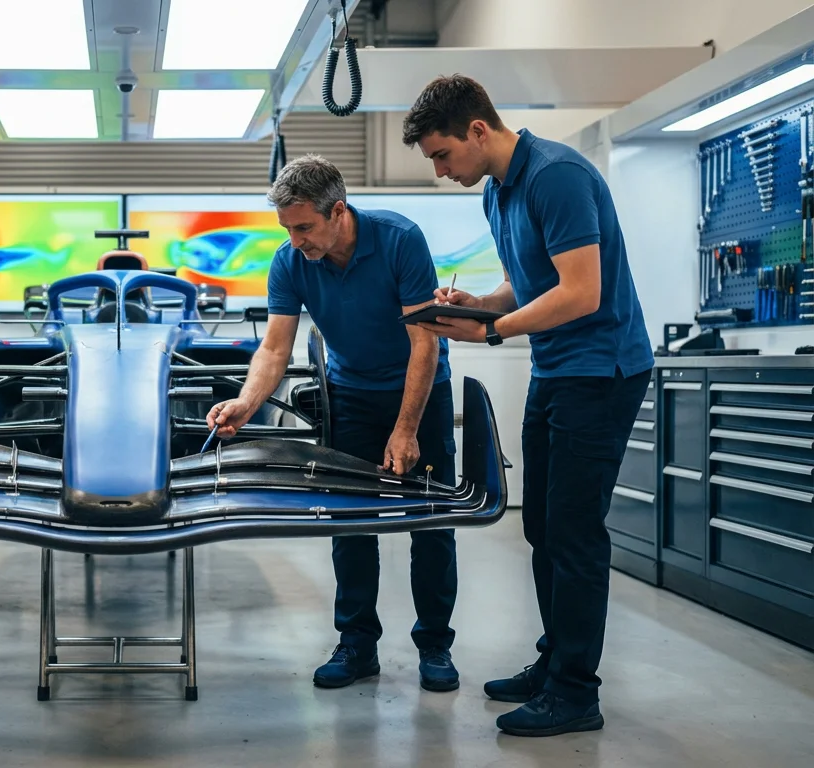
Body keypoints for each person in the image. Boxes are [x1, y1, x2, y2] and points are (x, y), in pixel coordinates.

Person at [401, 74, 654, 737]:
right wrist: (479, 305)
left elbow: (582, 293)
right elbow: (525, 282)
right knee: (540, 526)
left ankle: (576, 693)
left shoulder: (556, 177)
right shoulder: (498, 192)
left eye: (441, 155)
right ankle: (556, 660)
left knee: (574, 532)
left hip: (601, 370)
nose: (440, 171)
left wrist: (491, 331)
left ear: (477, 131)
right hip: (556, 368)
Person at [206, 154, 461, 694]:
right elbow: (275, 349)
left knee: (431, 521)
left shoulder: (399, 239)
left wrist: (406, 428)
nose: (296, 240)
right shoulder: (290, 260)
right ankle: (357, 645)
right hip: (351, 396)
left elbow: (425, 341)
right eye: (288, 229)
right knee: (349, 523)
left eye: (304, 227)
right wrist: (246, 404)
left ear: (338, 211)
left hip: (421, 393)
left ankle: (435, 644)